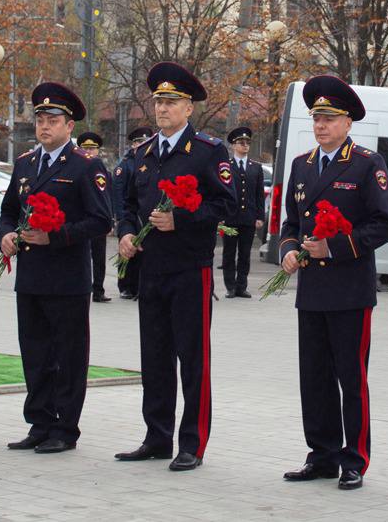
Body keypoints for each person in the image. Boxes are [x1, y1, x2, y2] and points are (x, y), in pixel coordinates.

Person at [114, 62, 235, 471]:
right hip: (151, 269)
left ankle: (192, 443)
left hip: (190, 268)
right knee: (155, 357)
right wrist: (128, 233)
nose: (162, 109)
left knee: (193, 358)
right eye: (158, 102)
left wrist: (181, 219)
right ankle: (156, 436)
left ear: (188, 108)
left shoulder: (207, 152)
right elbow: (129, 204)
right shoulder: (144, 153)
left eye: (171, 102)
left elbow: (226, 206)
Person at [278, 75, 388, 491]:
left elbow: (383, 225)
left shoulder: (367, 164)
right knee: (314, 376)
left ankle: (354, 458)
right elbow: (291, 223)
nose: (321, 125)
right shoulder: (302, 165)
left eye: (330, 118)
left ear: (349, 123)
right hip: (312, 290)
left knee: (350, 377)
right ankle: (322, 453)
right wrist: (289, 250)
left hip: (349, 289)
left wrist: (336, 248)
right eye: (316, 118)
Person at [0, 83, 112, 454]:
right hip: (31, 276)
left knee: (67, 356)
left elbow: (100, 221)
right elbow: (9, 212)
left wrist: (57, 236)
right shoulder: (26, 164)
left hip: (66, 277)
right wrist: (6, 236)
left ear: (69, 125)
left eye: (53, 120)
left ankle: (65, 428)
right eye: (40, 120)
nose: (45, 126)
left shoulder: (85, 165)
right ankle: (39, 422)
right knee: (34, 353)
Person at [222, 125, 265, 299]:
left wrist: (260, 216)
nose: (245, 145)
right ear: (233, 145)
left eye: (247, 142)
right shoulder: (226, 166)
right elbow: (222, 192)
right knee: (229, 253)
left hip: (248, 217)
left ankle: (242, 286)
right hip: (230, 217)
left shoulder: (255, 167)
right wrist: (220, 216)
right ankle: (230, 287)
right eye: (241, 142)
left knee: (245, 254)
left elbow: (259, 194)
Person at [112, 126, 154, 300]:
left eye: (144, 141)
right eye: (138, 141)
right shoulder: (126, 164)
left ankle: (136, 285)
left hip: (143, 216)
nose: (140, 144)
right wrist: (121, 219)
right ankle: (124, 285)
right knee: (126, 251)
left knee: (139, 252)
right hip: (128, 216)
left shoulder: (149, 160)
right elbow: (119, 193)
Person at [77, 131, 112, 303]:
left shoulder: (101, 169)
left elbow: (108, 196)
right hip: (80, 220)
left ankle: (98, 289)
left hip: (98, 220)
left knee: (99, 257)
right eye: (86, 148)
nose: (89, 152)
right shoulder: (76, 168)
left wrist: (110, 219)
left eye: (93, 148)